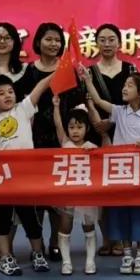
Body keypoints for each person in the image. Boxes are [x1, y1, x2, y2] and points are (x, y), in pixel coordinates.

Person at [0, 72, 56, 276]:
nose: (7, 95)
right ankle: (5, 257)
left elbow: (40, 87)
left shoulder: (23, 110)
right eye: (1, 93)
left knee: (31, 219)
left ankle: (37, 254)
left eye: (10, 91)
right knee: (2, 220)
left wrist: (56, 72)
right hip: (2, 180)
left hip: (24, 178)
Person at [82, 69, 140, 275]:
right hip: (121, 173)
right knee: (122, 214)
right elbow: (98, 100)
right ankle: (127, 255)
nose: (124, 89)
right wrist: (88, 80)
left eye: (129, 85)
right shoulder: (119, 111)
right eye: (124, 85)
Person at [21, 22, 81, 261]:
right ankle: (36, 245)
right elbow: (23, 104)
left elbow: (76, 104)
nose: (54, 44)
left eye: (57, 40)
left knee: (59, 194)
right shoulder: (29, 71)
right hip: (33, 139)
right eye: (49, 39)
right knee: (35, 195)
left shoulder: (69, 69)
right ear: (38, 42)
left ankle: (56, 242)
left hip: (61, 138)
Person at [86, 23, 137, 257]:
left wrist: (113, 123)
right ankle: (107, 239)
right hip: (98, 133)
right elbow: (88, 101)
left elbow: (136, 101)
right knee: (101, 190)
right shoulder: (89, 72)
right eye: (102, 39)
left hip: (126, 134)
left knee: (123, 189)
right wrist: (102, 129)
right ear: (96, 43)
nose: (107, 44)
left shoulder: (130, 68)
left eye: (111, 39)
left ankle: (122, 240)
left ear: (119, 43)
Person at [52, 94, 102, 275]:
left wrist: (93, 151)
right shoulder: (65, 143)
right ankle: (66, 262)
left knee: (89, 227)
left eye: (79, 127)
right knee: (65, 227)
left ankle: (90, 262)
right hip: (68, 194)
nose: (75, 131)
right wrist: (56, 107)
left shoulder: (92, 146)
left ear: (86, 129)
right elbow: (58, 124)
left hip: (86, 195)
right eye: (71, 127)